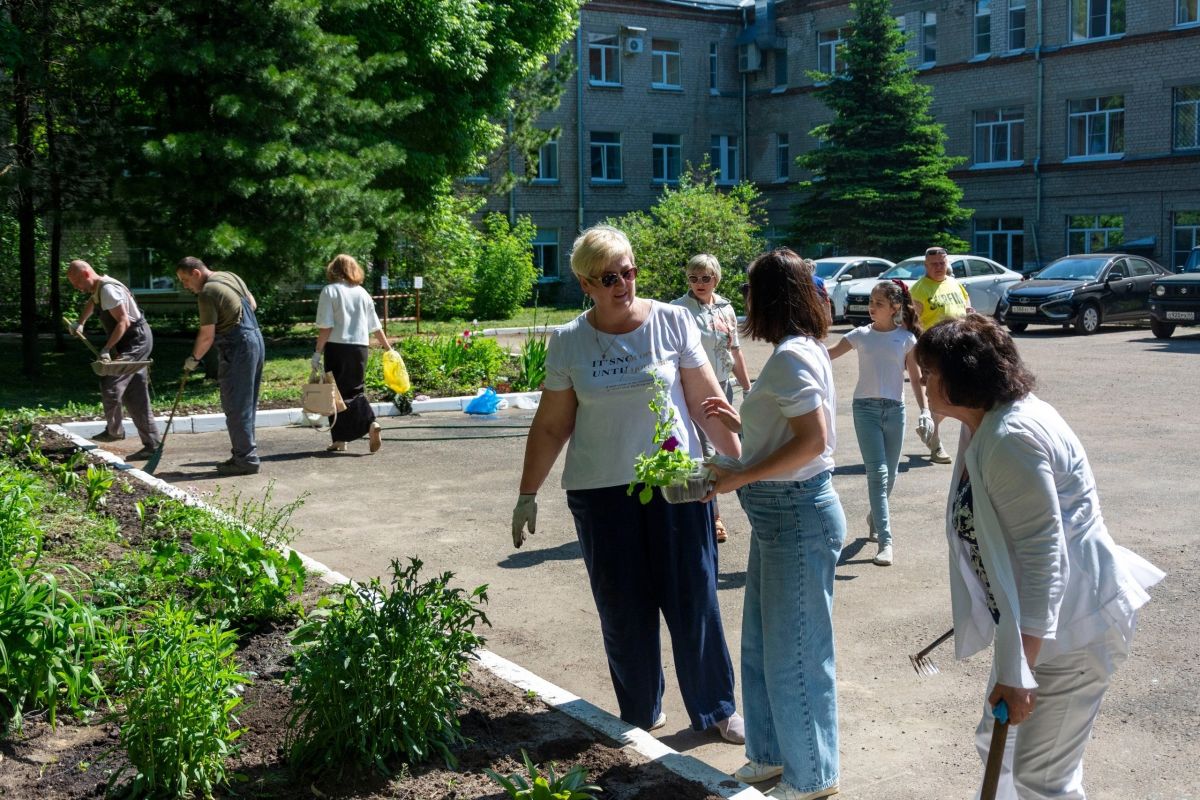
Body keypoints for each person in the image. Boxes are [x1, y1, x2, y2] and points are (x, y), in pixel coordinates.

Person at [510, 224, 746, 745]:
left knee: (694, 598)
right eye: (610, 277)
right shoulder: (570, 340)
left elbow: (708, 404)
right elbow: (552, 424)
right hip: (600, 492)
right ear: (585, 283)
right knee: (622, 606)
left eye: (630, 271)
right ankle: (640, 711)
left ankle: (718, 709)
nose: (624, 283)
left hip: (677, 485)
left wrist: (741, 466)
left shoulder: (672, 320)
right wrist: (527, 492)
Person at [914, 315, 1164, 800]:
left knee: (1042, 779)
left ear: (962, 376)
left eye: (929, 373)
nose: (921, 383)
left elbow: (1045, 556)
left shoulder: (1011, 438)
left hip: (1076, 629)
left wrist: (1018, 673)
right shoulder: (987, 421)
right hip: (1038, 627)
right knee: (997, 745)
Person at [703, 247, 846, 800]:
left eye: (748, 290)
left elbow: (816, 442)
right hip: (781, 517)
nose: (743, 299)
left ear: (768, 296)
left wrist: (738, 477)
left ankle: (812, 777)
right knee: (763, 648)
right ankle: (768, 757)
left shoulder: (793, 356)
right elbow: (791, 429)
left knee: (797, 658)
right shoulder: (801, 349)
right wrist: (741, 423)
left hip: (796, 515)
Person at [826, 280, 927, 566]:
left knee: (890, 476)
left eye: (878, 303)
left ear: (895, 307)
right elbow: (826, 354)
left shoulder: (907, 339)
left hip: (896, 411)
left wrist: (925, 411)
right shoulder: (860, 335)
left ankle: (874, 515)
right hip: (865, 410)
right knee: (878, 474)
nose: (872, 307)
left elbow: (917, 380)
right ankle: (886, 541)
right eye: (871, 301)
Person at [671, 253, 751, 544]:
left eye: (705, 278)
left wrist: (746, 385)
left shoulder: (726, 308)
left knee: (734, 451)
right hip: (694, 389)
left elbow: (735, 350)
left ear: (716, 278)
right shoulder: (678, 310)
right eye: (693, 278)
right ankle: (713, 515)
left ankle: (748, 504)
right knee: (706, 452)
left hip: (724, 387)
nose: (699, 283)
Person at [175, 257, 265, 476]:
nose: (186, 286)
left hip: (238, 347)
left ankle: (245, 459)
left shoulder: (207, 293)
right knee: (246, 403)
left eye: (186, 280)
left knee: (235, 405)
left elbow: (207, 336)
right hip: (255, 340)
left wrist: (193, 360)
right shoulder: (230, 276)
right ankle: (243, 454)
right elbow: (252, 304)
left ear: (196, 273)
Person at [67, 260, 161, 460]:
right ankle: (152, 446)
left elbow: (123, 321)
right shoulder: (99, 288)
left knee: (111, 381)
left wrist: (106, 349)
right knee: (135, 395)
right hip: (131, 341)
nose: (75, 287)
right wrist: (80, 323)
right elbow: (93, 302)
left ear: (86, 274)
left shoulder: (108, 290)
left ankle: (115, 431)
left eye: (76, 282)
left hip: (136, 341)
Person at [313, 254, 392, 454]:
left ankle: (369, 423)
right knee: (354, 390)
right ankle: (341, 439)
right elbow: (375, 326)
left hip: (337, 347)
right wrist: (388, 348)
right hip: (360, 348)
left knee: (335, 393)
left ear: (333, 269)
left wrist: (317, 353)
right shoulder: (363, 293)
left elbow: (326, 326)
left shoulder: (329, 291)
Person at [910, 246, 971, 464]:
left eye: (942, 263)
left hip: (960, 349)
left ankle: (929, 427)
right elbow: (912, 325)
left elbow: (967, 307)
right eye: (934, 264)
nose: (938, 267)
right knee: (942, 396)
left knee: (958, 396)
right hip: (935, 351)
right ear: (925, 266)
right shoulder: (918, 290)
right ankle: (935, 442)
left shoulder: (955, 284)